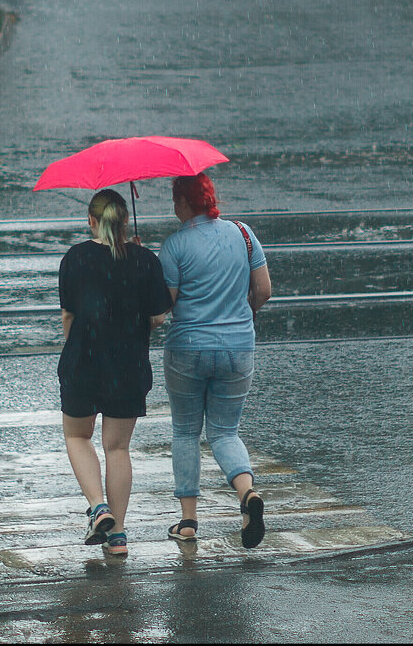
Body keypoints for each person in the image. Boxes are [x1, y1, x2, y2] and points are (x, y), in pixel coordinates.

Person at [157, 172, 272, 548]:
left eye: (176, 200)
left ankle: (188, 521)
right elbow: (264, 291)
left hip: (187, 350)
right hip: (238, 347)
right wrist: (239, 315)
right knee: (225, 431)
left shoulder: (174, 246)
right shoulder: (243, 234)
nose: (174, 207)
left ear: (187, 202)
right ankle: (247, 494)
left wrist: (146, 271)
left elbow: (163, 307)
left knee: (186, 431)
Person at [58, 189, 173, 558]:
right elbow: (157, 316)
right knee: (118, 448)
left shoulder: (74, 258)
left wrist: (77, 348)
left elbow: (68, 316)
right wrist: (138, 260)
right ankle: (118, 536)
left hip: (83, 362)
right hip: (128, 365)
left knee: (78, 437)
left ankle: (97, 506)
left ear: (91, 220)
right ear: (125, 223)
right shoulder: (144, 259)